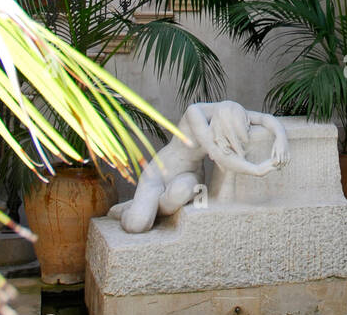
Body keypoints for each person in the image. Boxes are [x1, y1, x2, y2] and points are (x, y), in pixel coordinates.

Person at [109, 100, 290, 234]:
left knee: (179, 193)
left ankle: (147, 205)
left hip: (190, 175)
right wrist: (257, 170)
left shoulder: (234, 112)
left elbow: (266, 119)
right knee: (137, 225)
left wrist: (281, 138)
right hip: (158, 174)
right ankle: (130, 210)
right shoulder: (194, 113)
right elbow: (217, 154)